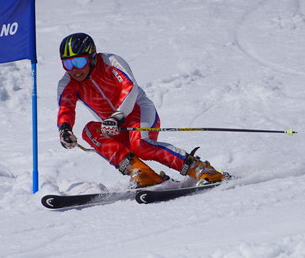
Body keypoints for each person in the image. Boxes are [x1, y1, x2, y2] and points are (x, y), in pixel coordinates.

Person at [56, 32, 226, 188]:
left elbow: (129, 88)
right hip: (113, 125)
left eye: (79, 62)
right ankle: (143, 173)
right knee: (89, 131)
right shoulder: (67, 83)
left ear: (92, 57)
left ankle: (202, 169)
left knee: (141, 146)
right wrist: (65, 130)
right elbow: (66, 108)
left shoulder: (110, 62)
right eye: (67, 64)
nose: (74, 69)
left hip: (138, 111)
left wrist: (118, 116)